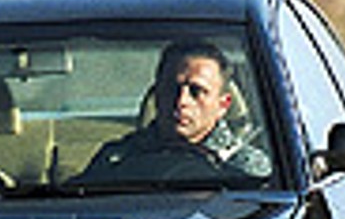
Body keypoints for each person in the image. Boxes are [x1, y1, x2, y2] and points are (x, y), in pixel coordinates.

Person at [72, 41, 270, 184]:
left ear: (223, 105)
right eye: (171, 89)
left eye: (196, 91)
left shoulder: (248, 171)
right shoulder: (116, 160)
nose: (181, 101)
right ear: (156, 95)